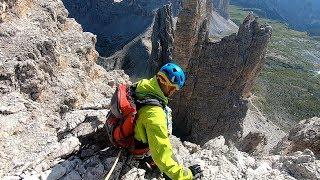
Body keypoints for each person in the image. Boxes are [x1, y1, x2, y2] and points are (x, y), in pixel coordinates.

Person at [132, 63, 203, 180]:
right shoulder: (155, 114)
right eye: (174, 88)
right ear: (170, 86)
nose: (173, 92)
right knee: (169, 156)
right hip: (137, 148)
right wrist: (188, 175)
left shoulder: (143, 85)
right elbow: (162, 157)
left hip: (132, 132)